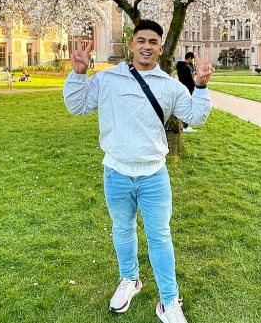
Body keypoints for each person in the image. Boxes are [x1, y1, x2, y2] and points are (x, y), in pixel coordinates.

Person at [64, 20, 213, 323]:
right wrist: (79, 74)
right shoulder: (107, 80)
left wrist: (200, 86)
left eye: (153, 42)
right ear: (132, 44)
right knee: (122, 229)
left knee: (159, 237)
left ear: (160, 47)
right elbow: (77, 106)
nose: (147, 46)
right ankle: (130, 280)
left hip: (153, 176)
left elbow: (196, 116)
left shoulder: (169, 86)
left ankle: (169, 302)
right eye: (141, 40)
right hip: (116, 173)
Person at [176, 52, 196, 132]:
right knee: (189, 107)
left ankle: (183, 125)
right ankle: (185, 126)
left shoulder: (181, 66)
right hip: (189, 88)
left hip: (183, 88)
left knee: (184, 106)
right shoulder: (187, 68)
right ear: (190, 58)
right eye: (193, 59)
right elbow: (191, 80)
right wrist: (196, 87)